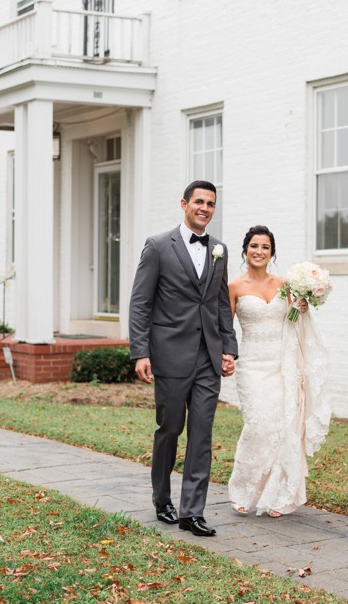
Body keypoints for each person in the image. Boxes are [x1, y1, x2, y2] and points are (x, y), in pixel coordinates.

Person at [129, 180, 238, 538]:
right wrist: (141, 351)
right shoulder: (158, 246)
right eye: (199, 202)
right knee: (170, 429)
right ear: (184, 204)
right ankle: (162, 499)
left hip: (208, 357)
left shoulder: (219, 249)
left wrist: (228, 347)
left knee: (202, 434)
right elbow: (141, 302)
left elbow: (221, 303)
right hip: (170, 355)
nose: (205, 208)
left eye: (211, 203)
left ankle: (193, 512)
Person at [226, 225, 331, 518]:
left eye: (265, 247)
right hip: (252, 364)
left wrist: (302, 307)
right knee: (258, 425)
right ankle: (244, 489)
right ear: (245, 249)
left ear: (272, 253)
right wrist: (226, 354)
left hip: (282, 364)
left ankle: (279, 495)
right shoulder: (234, 287)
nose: (259, 252)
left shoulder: (285, 284)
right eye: (254, 246)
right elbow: (224, 327)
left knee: (282, 426)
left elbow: (294, 320)